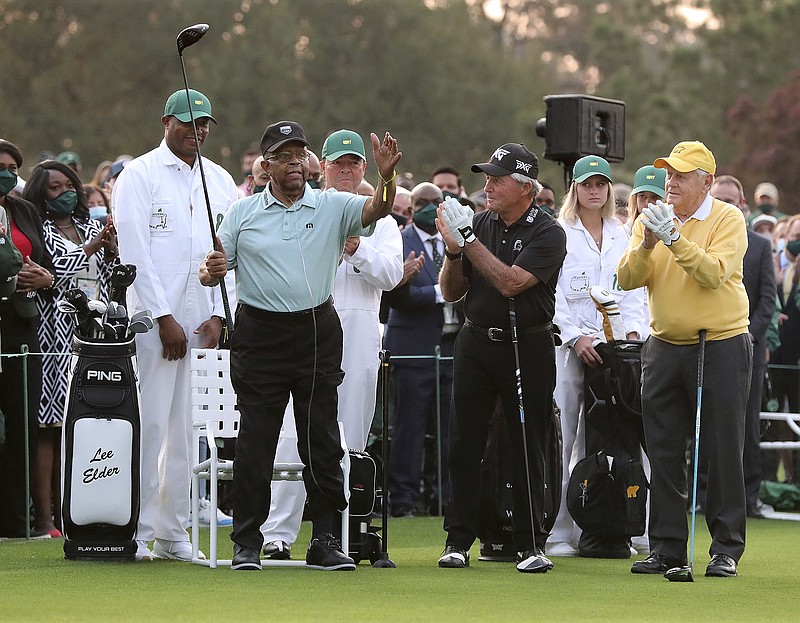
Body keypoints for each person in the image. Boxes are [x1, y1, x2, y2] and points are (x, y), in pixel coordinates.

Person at [199, 121, 401, 571]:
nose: (294, 163)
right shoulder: (242, 213)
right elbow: (213, 269)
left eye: (300, 154)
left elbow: (377, 209)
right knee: (257, 441)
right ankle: (248, 540)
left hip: (316, 332)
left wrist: (386, 178)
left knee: (322, 440)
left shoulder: (332, 205)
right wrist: (210, 270)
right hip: (260, 334)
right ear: (265, 165)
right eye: (284, 156)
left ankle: (325, 539)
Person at [260, 129, 403, 560]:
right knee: (292, 432)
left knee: (350, 434)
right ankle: (277, 534)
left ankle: (341, 531)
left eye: (353, 163)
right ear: (321, 166)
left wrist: (357, 249)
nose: (345, 170)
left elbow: (392, 275)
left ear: (364, 168)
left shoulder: (384, 219)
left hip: (359, 331)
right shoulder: (306, 209)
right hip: (305, 330)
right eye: (337, 163)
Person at [112, 88, 238, 562]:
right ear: (166, 121)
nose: (197, 131)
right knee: (151, 424)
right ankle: (137, 531)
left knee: (190, 430)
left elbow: (230, 253)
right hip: (154, 323)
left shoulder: (220, 179)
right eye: (187, 122)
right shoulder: (140, 175)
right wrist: (163, 317)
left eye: (204, 123)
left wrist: (219, 314)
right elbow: (134, 253)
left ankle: (173, 531)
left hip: (203, 322)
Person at [618, 140, 751, 578]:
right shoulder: (651, 218)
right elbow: (627, 277)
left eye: (680, 175)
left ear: (706, 182)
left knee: (721, 447)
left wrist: (674, 240)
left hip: (721, 342)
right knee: (663, 447)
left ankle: (726, 548)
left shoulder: (727, 218)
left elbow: (714, 273)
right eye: (668, 174)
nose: (669, 183)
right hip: (664, 344)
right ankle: (667, 547)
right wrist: (648, 241)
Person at [435, 142, 566, 573]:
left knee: (527, 442)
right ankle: (458, 540)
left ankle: (530, 542)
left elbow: (511, 283)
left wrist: (468, 242)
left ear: (526, 187)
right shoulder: (478, 223)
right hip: (476, 342)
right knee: (463, 442)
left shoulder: (548, 232)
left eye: (497, 179)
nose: (487, 185)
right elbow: (451, 292)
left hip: (526, 344)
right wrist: (455, 252)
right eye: (486, 177)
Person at [547, 156, 644, 557]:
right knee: (565, 437)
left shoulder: (622, 235)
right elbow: (551, 293)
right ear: (575, 188)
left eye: (601, 184)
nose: (594, 191)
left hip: (617, 352)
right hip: (572, 351)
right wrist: (574, 337)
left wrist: (633, 334)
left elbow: (634, 288)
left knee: (619, 438)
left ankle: (625, 524)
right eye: (587, 184)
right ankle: (556, 532)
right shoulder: (559, 233)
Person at [23, 160, 118, 537]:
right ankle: (45, 520)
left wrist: (109, 251)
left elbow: (108, 280)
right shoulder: (40, 231)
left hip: (92, 332)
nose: (65, 193)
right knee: (51, 425)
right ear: (40, 194)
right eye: (54, 188)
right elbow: (55, 272)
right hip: (54, 335)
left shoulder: (88, 226)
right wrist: (94, 246)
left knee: (82, 425)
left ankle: (74, 513)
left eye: (69, 186)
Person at [383, 181, 458, 518]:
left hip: (453, 347)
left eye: (436, 202)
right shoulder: (399, 241)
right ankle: (403, 498)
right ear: (411, 210)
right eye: (423, 202)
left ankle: (444, 497)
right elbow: (396, 296)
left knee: (449, 428)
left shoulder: (454, 241)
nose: (431, 207)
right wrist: (441, 293)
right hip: (414, 348)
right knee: (409, 427)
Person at [704, 175, 776, 518]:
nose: (725, 206)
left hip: (747, 347)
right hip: (706, 344)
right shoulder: (699, 241)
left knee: (746, 424)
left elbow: (767, 300)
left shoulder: (760, 246)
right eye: (719, 200)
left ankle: (749, 496)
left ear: (742, 206)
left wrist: (747, 335)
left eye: (731, 201)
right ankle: (703, 494)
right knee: (705, 422)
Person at [0, 139, 56, 539]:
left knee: (23, 427)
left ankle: (18, 524)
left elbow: (47, 266)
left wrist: (45, 279)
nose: (8, 171)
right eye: (1, 164)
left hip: (22, 331)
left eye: (13, 166)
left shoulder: (23, 210)